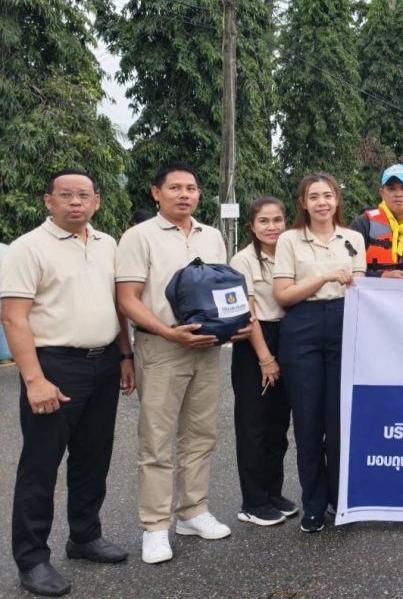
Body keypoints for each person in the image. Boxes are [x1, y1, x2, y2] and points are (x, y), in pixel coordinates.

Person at [1, 169, 135, 596]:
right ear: (48, 201)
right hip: (55, 365)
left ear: (96, 201)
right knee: (41, 466)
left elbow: (115, 307)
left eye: (84, 195)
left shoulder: (107, 244)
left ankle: (84, 536)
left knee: (93, 458)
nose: (75, 202)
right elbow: (13, 317)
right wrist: (34, 379)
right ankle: (32, 559)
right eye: (66, 195)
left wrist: (125, 355)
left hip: (104, 362)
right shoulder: (28, 248)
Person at [116, 162, 249, 564]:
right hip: (163, 346)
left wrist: (235, 323)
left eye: (191, 188)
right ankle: (155, 527)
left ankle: (193, 511)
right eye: (174, 188)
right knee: (156, 440)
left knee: (201, 434)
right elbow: (126, 299)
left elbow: (224, 288)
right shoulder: (139, 236)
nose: (184, 195)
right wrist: (169, 332)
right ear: (156, 193)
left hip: (207, 347)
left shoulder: (212, 236)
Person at [273, 173, 366, 533]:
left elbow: (360, 288)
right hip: (303, 326)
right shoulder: (290, 240)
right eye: (314, 197)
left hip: (345, 324)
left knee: (339, 420)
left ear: (337, 200)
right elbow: (283, 295)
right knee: (308, 421)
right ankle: (313, 504)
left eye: (328, 195)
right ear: (303, 203)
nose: (322, 202)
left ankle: (340, 502)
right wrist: (325, 277)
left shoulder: (353, 238)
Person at [228, 197, 298, 527]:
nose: (272, 227)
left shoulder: (290, 253)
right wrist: (265, 358)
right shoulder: (243, 260)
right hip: (256, 343)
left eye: (278, 220)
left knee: (278, 426)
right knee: (253, 424)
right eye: (264, 222)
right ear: (252, 227)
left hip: (289, 336)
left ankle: (273, 492)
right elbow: (249, 314)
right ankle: (253, 501)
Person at [350, 164, 403, 278]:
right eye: (391, 188)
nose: (398, 194)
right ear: (382, 193)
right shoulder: (363, 224)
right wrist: (381, 276)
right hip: (373, 294)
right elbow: (346, 268)